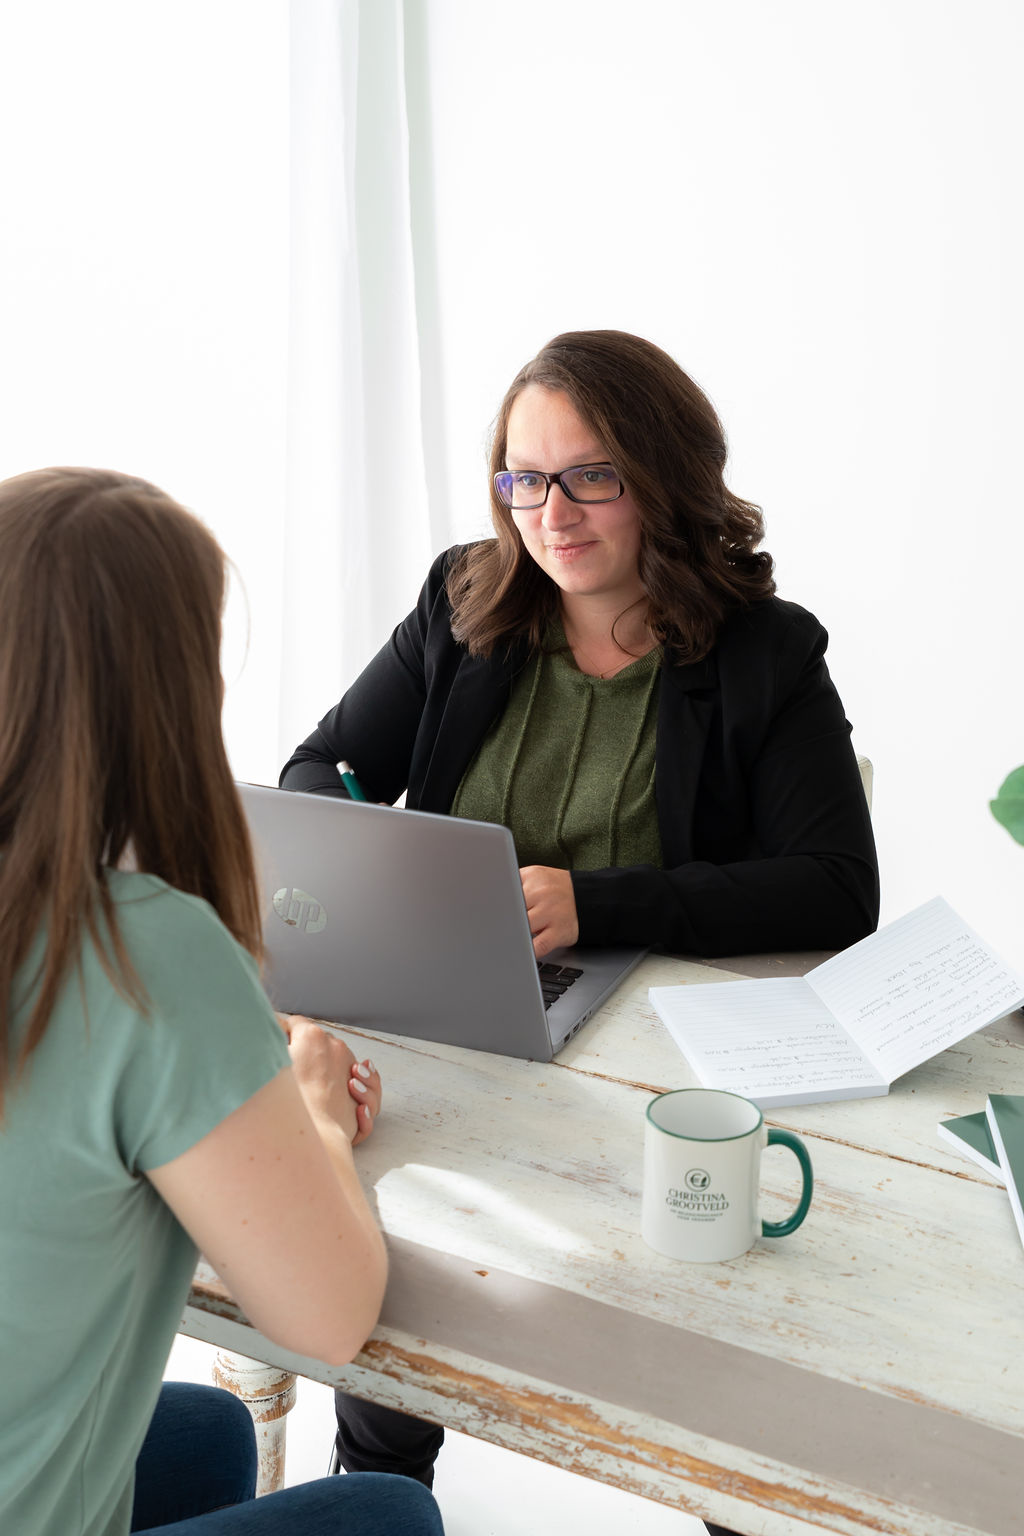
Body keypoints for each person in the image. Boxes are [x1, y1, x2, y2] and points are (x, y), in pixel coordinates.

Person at [280, 329, 880, 1530]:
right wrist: (370, 851)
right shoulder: (463, 600)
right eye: (524, 478)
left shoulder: (764, 654)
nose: (549, 514)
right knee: (383, 1216)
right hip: (458, 1011)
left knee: (722, 1314)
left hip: (660, 1054)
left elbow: (832, 888)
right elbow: (318, 768)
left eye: (589, 476)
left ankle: (737, 1500)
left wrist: (594, 901)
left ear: (664, 476)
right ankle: (380, 1484)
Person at [0, 468, 444, 1536]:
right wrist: (318, 1112)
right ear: (176, 694)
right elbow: (328, 1320)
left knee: (205, 1431)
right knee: (386, 1518)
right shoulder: (142, 952)